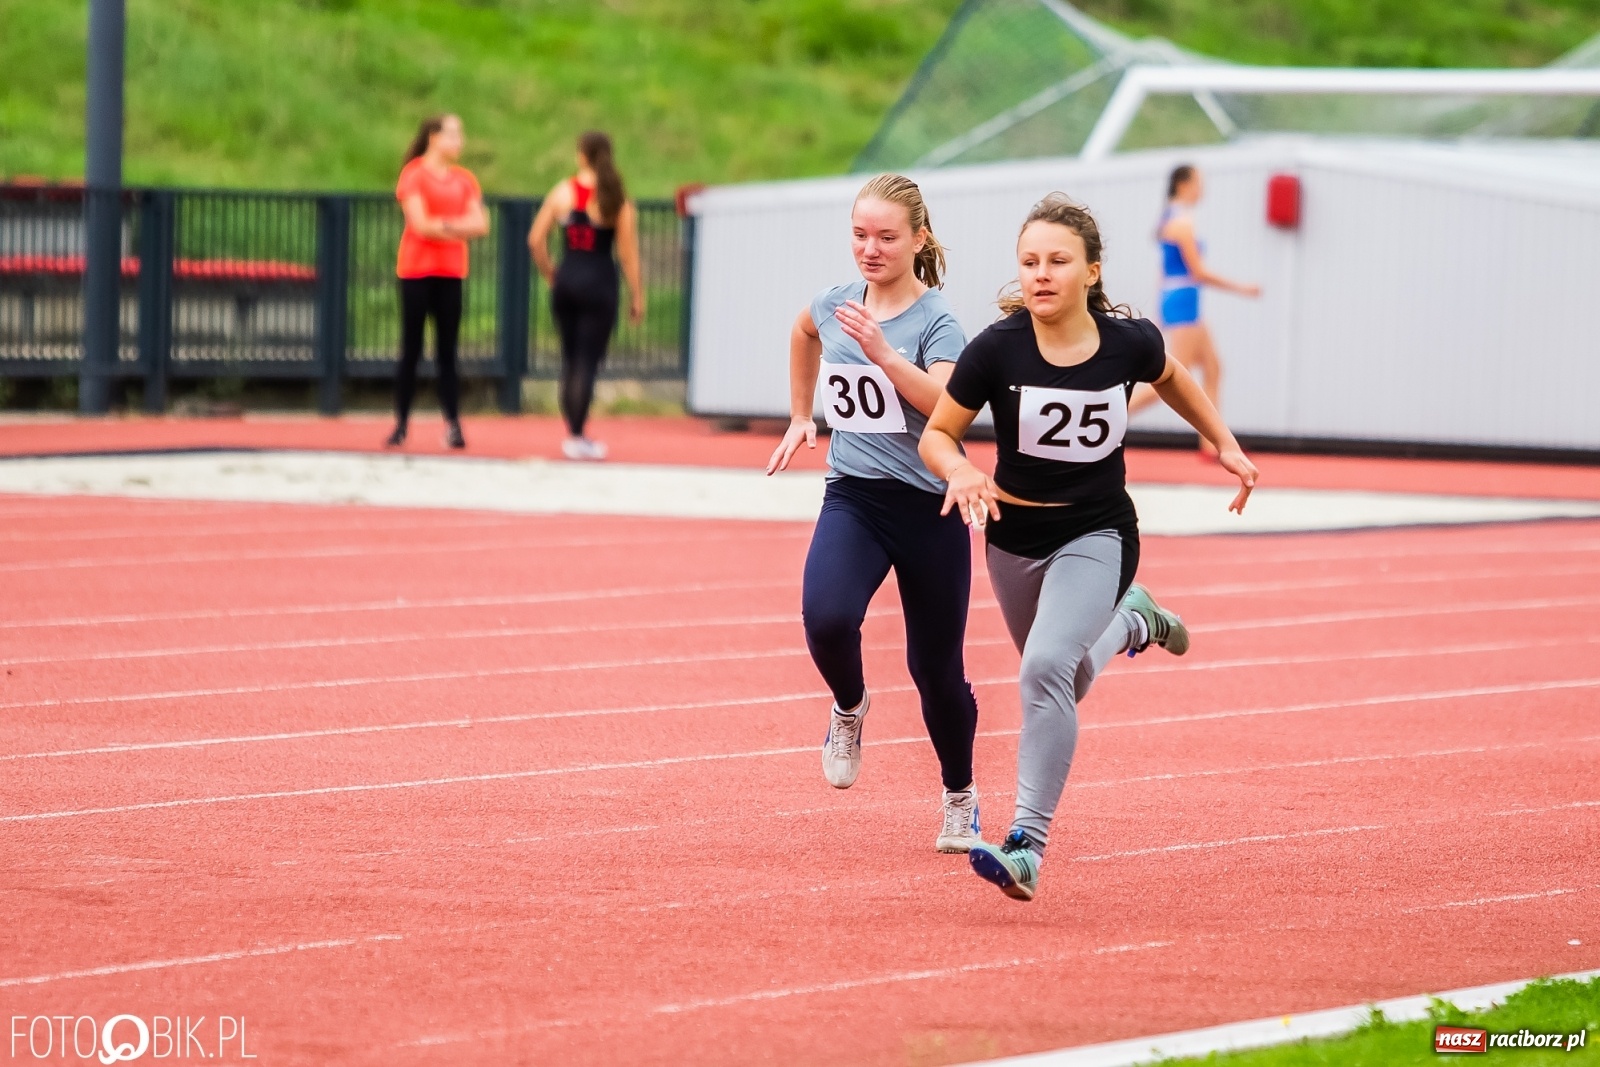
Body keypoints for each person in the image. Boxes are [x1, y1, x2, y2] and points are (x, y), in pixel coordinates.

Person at [920, 193, 1259, 900]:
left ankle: (1025, 846)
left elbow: (1174, 379)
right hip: (1014, 538)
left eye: (1058, 261)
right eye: (1030, 261)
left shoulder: (1126, 343)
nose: (1041, 273)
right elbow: (938, 433)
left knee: (1043, 667)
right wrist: (961, 470)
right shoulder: (996, 347)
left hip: (1096, 533)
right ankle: (1134, 620)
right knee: (1062, 683)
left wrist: (1222, 442)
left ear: (1091, 271)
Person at [765, 173, 983, 854]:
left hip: (929, 506)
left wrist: (884, 354)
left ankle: (959, 794)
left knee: (936, 671)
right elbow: (802, 330)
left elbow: (947, 406)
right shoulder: (836, 303)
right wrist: (803, 413)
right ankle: (849, 706)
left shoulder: (937, 319)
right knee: (826, 617)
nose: (871, 248)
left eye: (886, 236)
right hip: (855, 496)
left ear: (918, 238)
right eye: (860, 235)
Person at [1128, 164, 1260, 455]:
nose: (1203, 188)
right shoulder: (1180, 223)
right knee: (1175, 375)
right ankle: (1114, 413)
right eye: (1199, 182)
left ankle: (1213, 443)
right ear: (1184, 184)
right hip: (1183, 302)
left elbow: (1164, 271)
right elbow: (1198, 272)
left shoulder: (1173, 218)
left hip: (1182, 301)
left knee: (1213, 367)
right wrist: (1242, 288)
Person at [528, 131, 644, 461]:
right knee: (587, 360)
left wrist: (551, 272)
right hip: (599, 282)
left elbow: (535, 239)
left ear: (582, 155)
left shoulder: (563, 191)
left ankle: (573, 432)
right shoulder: (615, 197)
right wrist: (637, 295)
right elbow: (628, 255)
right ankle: (578, 435)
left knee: (570, 359)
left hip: (567, 280)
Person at [388, 114, 490, 450]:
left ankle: (453, 423)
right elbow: (420, 224)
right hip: (416, 270)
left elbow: (481, 224)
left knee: (448, 350)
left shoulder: (464, 180)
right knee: (412, 348)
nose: (460, 141)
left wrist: (443, 225)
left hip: (451, 271)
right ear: (433, 137)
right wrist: (457, 226)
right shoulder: (414, 175)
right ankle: (401, 423)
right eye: (453, 134)